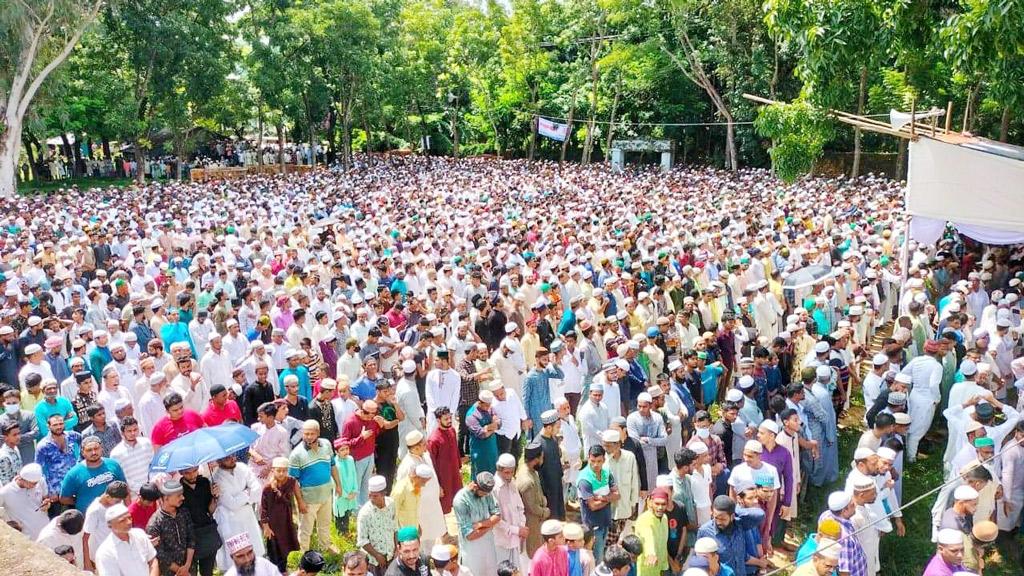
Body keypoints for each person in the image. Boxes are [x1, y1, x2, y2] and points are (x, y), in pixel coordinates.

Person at [289, 419, 343, 552]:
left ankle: (325, 547)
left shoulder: (326, 444)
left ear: (318, 433)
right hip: (309, 498)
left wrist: (338, 485)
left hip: (326, 494)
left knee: (324, 524)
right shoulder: (296, 454)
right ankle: (304, 554)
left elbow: (332, 466)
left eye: (311, 434)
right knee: (306, 529)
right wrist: (300, 501)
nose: (308, 437)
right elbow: (293, 481)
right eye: (305, 434)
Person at [212, 454, 265, 570]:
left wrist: (243, 498)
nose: (232, 459)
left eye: (233, 456)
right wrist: (247, 492)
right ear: (220, 461)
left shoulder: (242, 467)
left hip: (248, 516)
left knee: (254, 552)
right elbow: (231, 504)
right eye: (227, 458)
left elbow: (258, 489)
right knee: (235, 557)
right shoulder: (216, 477)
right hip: (230, 521)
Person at [59, 435, 126, 512]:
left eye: (96, 448)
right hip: (91, 517)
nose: (93, 452)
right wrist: (82, 501)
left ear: (101, 449)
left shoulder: (113, 464)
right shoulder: (74, 474)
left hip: (116, 514)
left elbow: (125, 488)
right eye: (89, 450)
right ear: (83, 452)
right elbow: (63, 498)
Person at [452, 471, 500, 576]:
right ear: (475, 485)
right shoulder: (461, 500)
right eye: (483, 493)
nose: (485, 496)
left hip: (489, 544)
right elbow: (470, 535)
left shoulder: (487, 493)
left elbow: (497, 516)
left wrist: (481, 524)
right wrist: (490, 525)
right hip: (472, 550)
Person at [260, 456, 303, 572]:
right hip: (273, 523)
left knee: (286, 547)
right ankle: (275, 571)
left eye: (284, 470)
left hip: (286, 520)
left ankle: (283, 570)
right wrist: (266, 526)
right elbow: (263, 509)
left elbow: (291, 500)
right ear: (273, 470)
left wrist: (301, 505)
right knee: (275, 549)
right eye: (278, 471)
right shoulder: (268, 488)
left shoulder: (291, 482)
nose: (281, 473)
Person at [146, 480, 197, 576]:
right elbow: (159, 553)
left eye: (182, 494)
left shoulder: (184, 512)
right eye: (178, 496)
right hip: (170, 572)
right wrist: (180, 571)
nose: (183, 497)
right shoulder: (155, 524)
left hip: (190, 568)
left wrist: (187, 565)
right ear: (166, 498)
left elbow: (192, 538)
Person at [94, 502, 160, 576]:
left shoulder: (140, 535)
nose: (129, 522)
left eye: (129, 518)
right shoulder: (105, 552)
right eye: (122, 520)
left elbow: (153, 561)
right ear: (110, 525)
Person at [356, 475, 397, 575]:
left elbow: (395, 528)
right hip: (373, 562)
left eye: (375, 496)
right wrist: (377, 556)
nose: (371, 498)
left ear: (383, 494)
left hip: (391, 556)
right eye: (370, 495)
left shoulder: (391, 504)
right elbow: (362, 541)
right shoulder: (365, 513)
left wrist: (397, 549)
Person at [516, 438, 550, 557]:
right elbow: (532, 508)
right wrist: (545, 512)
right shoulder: (527, 481)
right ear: (536, 459)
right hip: (531, 523)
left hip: (536, 520)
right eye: (541, 458)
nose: (542, 461)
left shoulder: (532, 471)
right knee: (532, 554)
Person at [0, 462, 49, 538]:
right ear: (21, 479)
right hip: (27, 537)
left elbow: (45, 498)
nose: (35, 485)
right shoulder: (5, 492)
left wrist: (47, 504)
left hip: (45, 532)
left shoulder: (40, 481)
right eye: (32, 483)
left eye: (36, 483)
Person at [427, 406, 461, 514]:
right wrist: (437, 485)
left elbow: (456, 451)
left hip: (455, 475)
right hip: (443, 479)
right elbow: (431, 463)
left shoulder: (452, 431)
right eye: (446, 419)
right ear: (438, 420)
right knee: (443, 508)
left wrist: (459, 467)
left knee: (459, 502)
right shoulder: (433, 439)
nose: (449, 421)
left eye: (450, 418)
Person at [537, 409, 566, 519]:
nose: (559, 430)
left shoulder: (553, 438)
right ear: (549, 427)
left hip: (557, 485)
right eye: (557, 427)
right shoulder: (539, 444)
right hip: (548, 491)